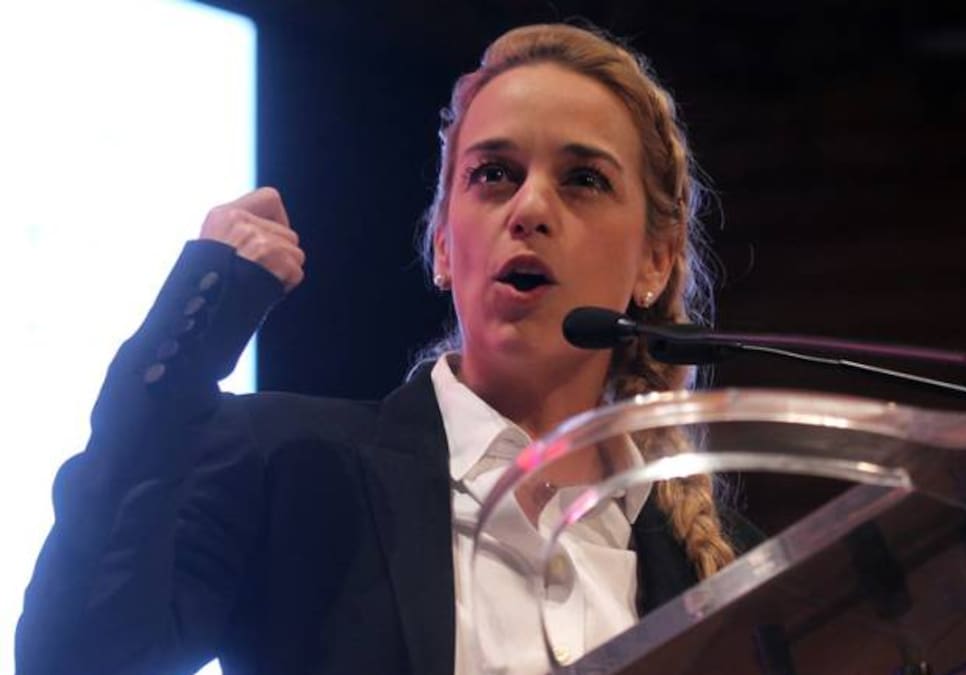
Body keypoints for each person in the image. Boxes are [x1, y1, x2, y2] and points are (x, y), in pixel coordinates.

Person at [17, 23, 755, 675]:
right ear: (443, 245)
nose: (530, 208)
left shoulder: (729, 570)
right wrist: (196, 323)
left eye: (583, 180)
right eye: (493, 175)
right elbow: (74, 657)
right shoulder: (290, 465)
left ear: (655, 261)